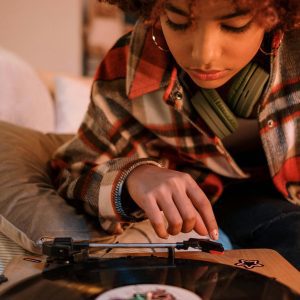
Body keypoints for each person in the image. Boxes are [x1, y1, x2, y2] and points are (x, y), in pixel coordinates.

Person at [51, 0, 300, 268]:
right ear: (156, 12)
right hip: (225, 199)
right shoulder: (127, 66)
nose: (203, 55)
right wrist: (134, 177)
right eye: (178, 22)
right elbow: (72, 171)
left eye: (233, 25)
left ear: (276, 15)